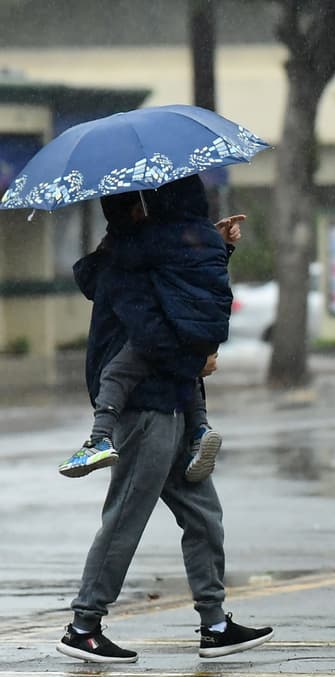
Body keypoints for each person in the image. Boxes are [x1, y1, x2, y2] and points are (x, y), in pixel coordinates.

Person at [55, 176, 273, 664]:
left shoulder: (147, 254)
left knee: (203, 517)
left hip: (171, 398)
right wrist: (193, 361)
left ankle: (215, 624)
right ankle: (83, 626)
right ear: (137, 211)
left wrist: (213, 248)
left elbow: (186, 297)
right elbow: (153, 332)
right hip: (145, 407)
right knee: (126, 518)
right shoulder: (124, 264)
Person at [57, 187, 244, 483]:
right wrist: (212, 239)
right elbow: (194, 275)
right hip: (176, 372)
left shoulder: (141, 251)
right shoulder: (164, 248)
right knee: (199, 524)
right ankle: (201, 428)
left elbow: (151, 337)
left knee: (115, 375)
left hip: (152, 396)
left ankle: (99, 438)